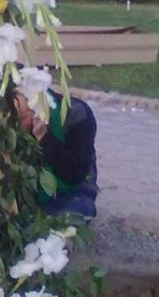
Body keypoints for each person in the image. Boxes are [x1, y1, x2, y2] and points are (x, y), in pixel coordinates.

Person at [14, 90, 98, 219]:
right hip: (29, 199)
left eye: (23, 117)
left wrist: (44, 138)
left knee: (79, 210)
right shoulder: (10, 126)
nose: (18, 125)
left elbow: (75, 174)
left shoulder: (75, 114)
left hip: (71, 192)